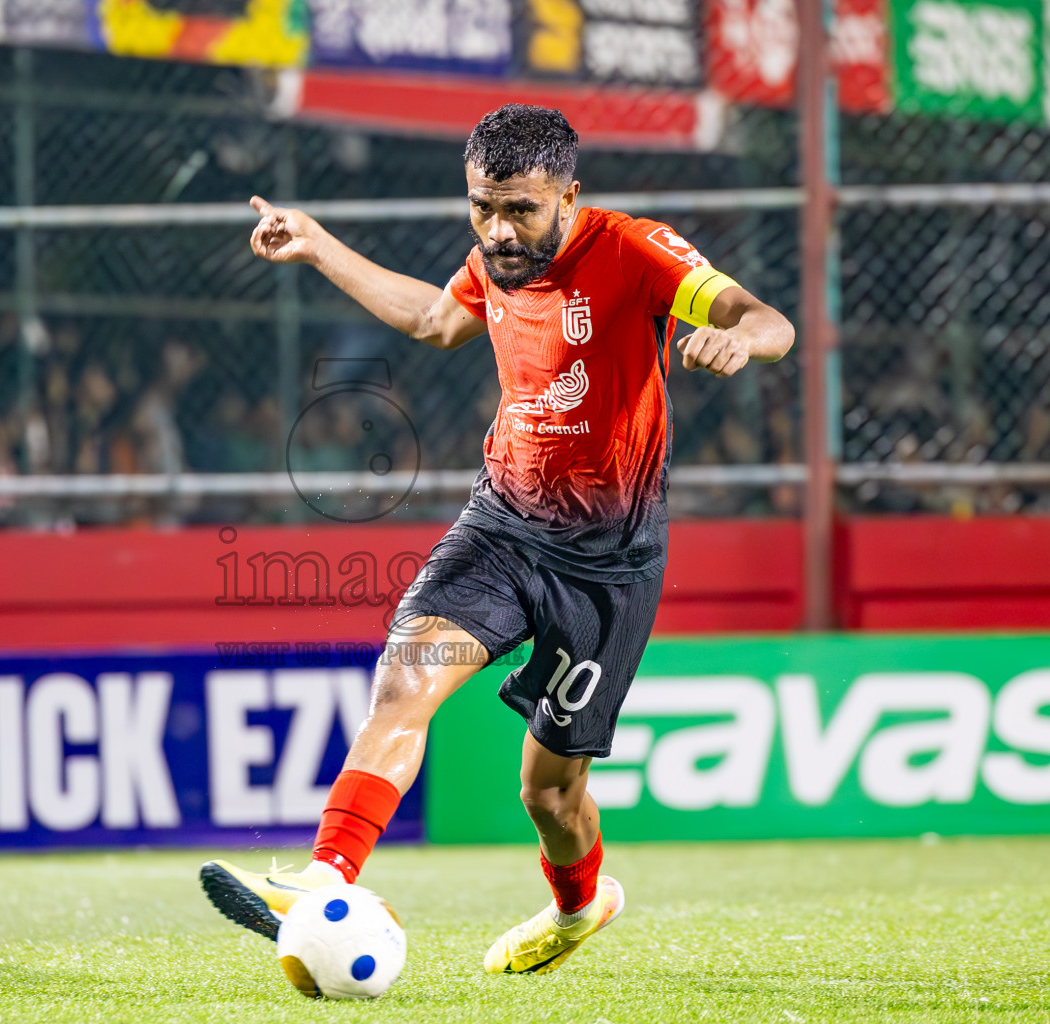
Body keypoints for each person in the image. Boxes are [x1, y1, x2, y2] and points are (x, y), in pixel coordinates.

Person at [198, 105, 794, 974]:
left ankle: (581, 902)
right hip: (503, 525)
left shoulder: (634, 250)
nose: (499, 230)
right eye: (482, 207)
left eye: (520, 208)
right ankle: (329, 880)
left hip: (607, 566)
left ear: (569, 195)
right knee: (404, 681)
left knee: (549, 792)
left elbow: (764, 316)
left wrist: (740, 338)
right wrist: (319, 244)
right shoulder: (494, 260)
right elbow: (436, 321)